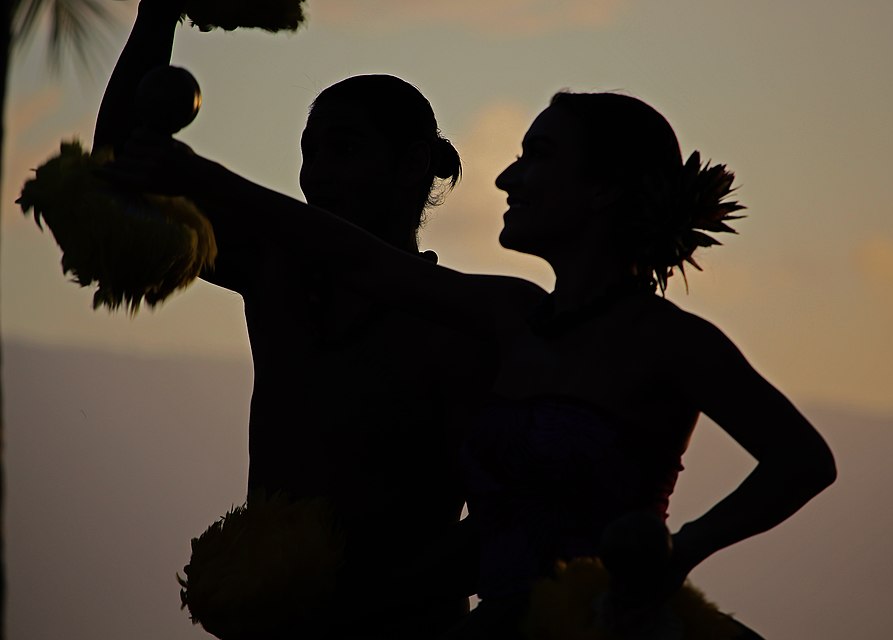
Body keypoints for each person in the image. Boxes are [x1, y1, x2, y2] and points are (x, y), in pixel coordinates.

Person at [110, 90, 836, 638]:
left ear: (603, 189)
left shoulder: (670, 341)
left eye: (538, 156)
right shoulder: (507, 314)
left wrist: (680, 552)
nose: (507, 178)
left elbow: (803, 461)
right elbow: (350, 255)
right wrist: (197, 178)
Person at [95, 1, 482, 636]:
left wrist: (361, 606)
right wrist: (157, 15)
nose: (318, 172)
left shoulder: (457, 322)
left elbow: (503, 520)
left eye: (344, 148)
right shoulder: (276, 273)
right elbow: (121, 180)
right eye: (309, 151)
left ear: (414, 165)